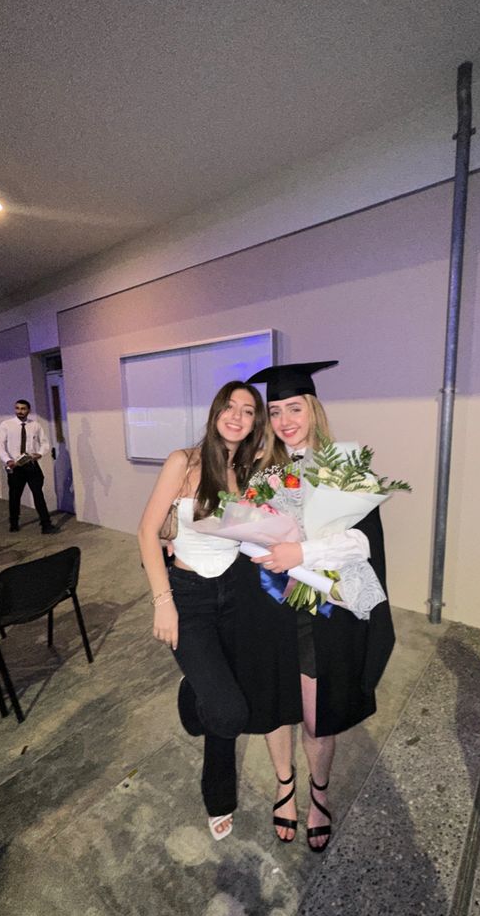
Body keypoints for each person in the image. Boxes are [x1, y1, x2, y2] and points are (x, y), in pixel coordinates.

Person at [235, 361, 396, 852]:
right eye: (276, 410)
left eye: (294, 408)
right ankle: (285, 786)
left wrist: (300, 553)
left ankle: (318, 793)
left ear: (313, 409)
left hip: (322, 607)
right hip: (270, 604)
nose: (285, 419)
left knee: (315, 708)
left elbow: (360, 542)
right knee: (274, 702)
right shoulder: (262, 470)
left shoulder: (345, 468)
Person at [137, 380, 266, 841]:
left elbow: (255, 534)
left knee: (221, 698)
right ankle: (197, 698)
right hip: (187, 596)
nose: (237, 416)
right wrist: (163, 601)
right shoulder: (183, 462)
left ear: (255, 423)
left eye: (248, 411)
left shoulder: (249, 472)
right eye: (230, 406)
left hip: (234, 593)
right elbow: (147, 533)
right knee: (230, 712)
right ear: (216, 412)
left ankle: (198, 701)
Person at [0, 399, 57, 534]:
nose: (20, 411)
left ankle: (46, 524)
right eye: (17, 408)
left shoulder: (35, 425)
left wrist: (39, 454)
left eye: (23, 409)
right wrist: (8, 460)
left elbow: (45, 443)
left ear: (28, 410)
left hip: (31, 465)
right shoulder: (6, 425)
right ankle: (14, 522)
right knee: (15, 496)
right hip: (16, 466)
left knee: (38, 494)